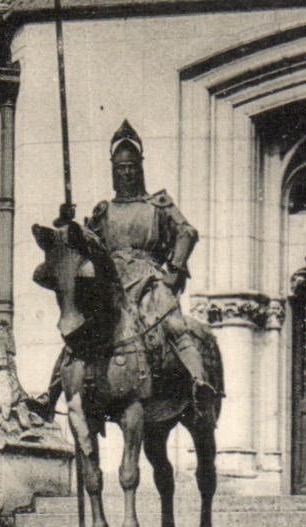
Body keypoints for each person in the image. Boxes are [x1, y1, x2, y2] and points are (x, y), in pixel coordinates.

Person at [88, 120, 215, 403]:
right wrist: (65, 223)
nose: (128, 172)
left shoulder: (159, 204)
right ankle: (54, 391)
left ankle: (198, 380)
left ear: (140, 166)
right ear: (113, 170)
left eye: (132, 166)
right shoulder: (104, 211)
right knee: (83, 327)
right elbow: (87, 242)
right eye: (121, 168)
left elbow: (187, 232)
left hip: (148, 277)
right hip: (112, 281)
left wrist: (174, 268)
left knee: (172, 324)